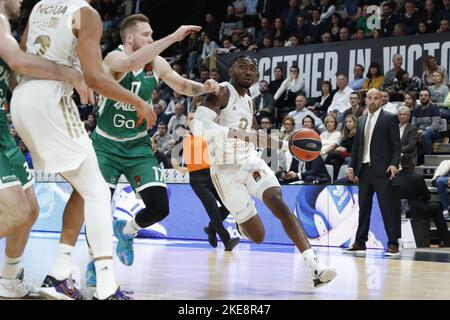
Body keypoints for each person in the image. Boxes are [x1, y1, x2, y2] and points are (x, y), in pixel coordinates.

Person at [49, 14, 218, 289]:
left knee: (160, 206)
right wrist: (174, 37)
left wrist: (204, 88)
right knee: (99, 207)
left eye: (153, 35)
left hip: (138, 145)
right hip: (105, 145)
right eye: (146, 35)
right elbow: (129, 63)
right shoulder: (112, 59)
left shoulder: (156, 63)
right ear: (129, 38)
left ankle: (127, 231)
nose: (151, 40)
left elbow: (182, 85)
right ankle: (95, 261)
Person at [11, 0, 159, 300]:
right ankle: (105, 286)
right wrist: (138, 101)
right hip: (51, 101)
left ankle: (60, 273)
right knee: (97, 193)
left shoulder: (40, 6)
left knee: (85, 189)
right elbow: (94, 77)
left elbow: (22, 52)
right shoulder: (85, 14)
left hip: (21, 100)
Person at [192, 55, 337, 287]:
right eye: (242, 67)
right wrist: (240, 135)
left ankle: (315, 267)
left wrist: (284, 144)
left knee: (279, 202)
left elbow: (256, 135)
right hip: (225, 170)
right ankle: (241, 222)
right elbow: (197, 126)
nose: (248, 72)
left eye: (253, 68)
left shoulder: (249, 100)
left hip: (249, 160)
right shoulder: (221, 92)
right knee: (258, 236)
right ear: (231, 70)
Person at [0, 0, 94, 298]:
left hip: (3, 128)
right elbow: (17, 62)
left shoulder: (10, 28)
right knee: (15, 211)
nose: (22, 2)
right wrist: (69, 73)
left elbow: (17, 79)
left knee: (30, 210)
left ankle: (9, 280)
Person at [345, 88, 401, 257]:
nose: (373, 101)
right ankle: (360, 242)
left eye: (377, 98)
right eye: (370, 98)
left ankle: (393, 244)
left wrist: (394, 164)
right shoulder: (361, 120)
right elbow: (356, 147)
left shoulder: (389, 118)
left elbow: (396, 145)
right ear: (366, 100)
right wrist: (351, 166)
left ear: (382, 100)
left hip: (382, 170)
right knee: (363, 208)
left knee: (387, 208)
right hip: (364, 170)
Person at [172, 113, 240, 251]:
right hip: (197, 179)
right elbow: (174, 155)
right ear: (187, 122)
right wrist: (179, 168)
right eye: (190, 118)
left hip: (212, 175)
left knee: (228, 205)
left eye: (196, 118)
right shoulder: (185, 138)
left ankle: (211, 228)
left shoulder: (208, 134)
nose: (193, 121)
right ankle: (227, 241)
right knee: (213, 209)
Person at [393, 155, 450, 247]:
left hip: (399, 210)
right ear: (412, 164)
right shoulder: (417, 177)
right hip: (416, 210)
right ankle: (445, 240)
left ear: (401, 164)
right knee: (437, 207)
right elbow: (427, 196)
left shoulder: (395, 177)